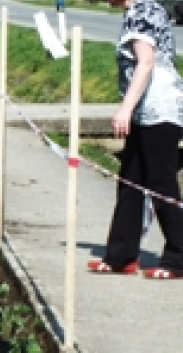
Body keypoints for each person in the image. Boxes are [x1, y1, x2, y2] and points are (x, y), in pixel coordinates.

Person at [87, 0, 183, 278]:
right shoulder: (143, 9)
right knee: (131, 180)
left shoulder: (143, 11)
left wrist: (125, 108)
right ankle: (121, 256)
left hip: (158, 110)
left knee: (160, 182)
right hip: (146, 111)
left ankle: (178, 256)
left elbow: (146, 62)